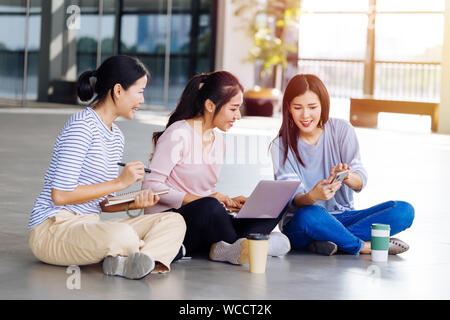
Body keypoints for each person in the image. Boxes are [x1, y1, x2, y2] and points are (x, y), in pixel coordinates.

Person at [28, 55, 186, 280]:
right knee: (122, 235)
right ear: (119, 90)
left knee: (173, 220)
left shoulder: (116, 137)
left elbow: (103, 204)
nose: (141, 100)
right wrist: (121, 182)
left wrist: (135, 201)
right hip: (54, 229)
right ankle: (136, 253)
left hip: (90, 227)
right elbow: (60, 195)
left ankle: (137, 259)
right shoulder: (81, 126)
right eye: (139, 91)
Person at [142, 71, 290, 264]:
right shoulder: (178, 134)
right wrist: (206, 200)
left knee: (277, 201)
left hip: (204, 216)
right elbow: (150, 186)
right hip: (172, 220)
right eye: (234, 108)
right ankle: (255, 245)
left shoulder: (218, 141)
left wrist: (227, 201)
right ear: (210, 105)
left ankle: (231, 246)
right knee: (210, 207)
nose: (238, 116)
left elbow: (205, 192)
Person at [270, 74, 414, 256]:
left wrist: (347, 176)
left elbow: (360, 181)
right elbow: (293, 199)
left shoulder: (342, 130)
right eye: (297, 107)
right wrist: (313, 196)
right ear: (288, 109)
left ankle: (327, 241)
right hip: (303, 223)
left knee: (403, 211)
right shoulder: (280, 145)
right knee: (310, 215)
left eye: (312, 107)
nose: (305, 115)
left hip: (343, 217)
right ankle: (363, 246)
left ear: (323, 105)